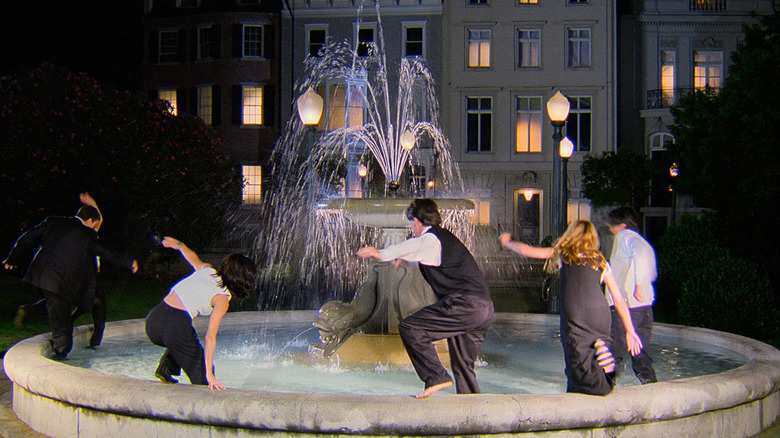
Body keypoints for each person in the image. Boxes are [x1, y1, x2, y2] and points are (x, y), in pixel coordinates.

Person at [357, 198, 494, 399]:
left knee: (411, 328)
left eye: (412, 223)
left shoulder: (430, 239)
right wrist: (404, 257)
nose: (412, 228)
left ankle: (436, 377)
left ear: (417, 221)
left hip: (464, 305)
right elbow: (422, 253)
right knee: (463, 366)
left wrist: (380, 253)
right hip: (483, 309)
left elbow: (413, 245)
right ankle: (472, 408)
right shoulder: (444, 239)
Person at [499, 220, 643, 396]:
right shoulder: (599, 260)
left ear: (571, 235)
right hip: (600, 315)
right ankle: (606, 366)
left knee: (576, 361)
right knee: (593, 362)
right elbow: (619, 300)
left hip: (577, 314)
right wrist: (630, 330)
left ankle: (580, 392)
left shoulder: (563, 254)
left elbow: (526, 250)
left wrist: (508, 243)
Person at [3, 196, 139, 360]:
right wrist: (128, 262)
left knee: (61, 307)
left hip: (39, 277)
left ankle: (34, 315)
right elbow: (105, 252)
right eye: (94, 225)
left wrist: (12, 258)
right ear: (89, 220)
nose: (94, 228)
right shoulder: (87, 234)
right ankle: (61, 353)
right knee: (61, 316)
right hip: (59, 282)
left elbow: (27, 238)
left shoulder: (54, 221)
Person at [145, 237, 257, 390]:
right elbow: (210, 336)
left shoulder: (207, 270)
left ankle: (166, 368)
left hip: (153, 321)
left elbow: (193, 258)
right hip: (174, 327)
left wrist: (179, 245)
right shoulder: (222, 299)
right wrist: (209, 374)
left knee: (187, 339)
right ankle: (200, 395)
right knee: (203, 377)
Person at [606, 206, 658, 384]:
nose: (610, 229)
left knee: (614, 350)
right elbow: (651, 269)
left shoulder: (625, 237)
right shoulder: (641, 241)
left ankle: (605, 386)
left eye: (611, 226)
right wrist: (643, 285)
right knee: (640, 351)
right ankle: (649, 385)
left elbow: (640, 254)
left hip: (627, 306)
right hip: (643, 307)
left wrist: (639, 285)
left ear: (622, 226)